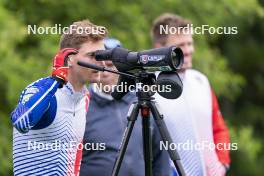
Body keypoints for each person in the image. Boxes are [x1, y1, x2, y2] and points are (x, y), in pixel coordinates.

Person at [10, 20, 107, 176]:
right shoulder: (40, 89)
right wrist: (55, 81)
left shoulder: (84, 97)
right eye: (92, 56)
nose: (101, 62)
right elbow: (21, 121)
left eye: (102, 55)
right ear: (69, 59)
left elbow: (73, 160)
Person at [151, 13, 231, 176]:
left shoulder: (201, 81)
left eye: (190, 43)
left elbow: (219, 128)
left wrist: (222, 164)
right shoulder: (149, 86)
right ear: (160, 48)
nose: (188, 50)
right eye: (181, 45)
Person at [79, 38, 171, 176]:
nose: (105, 73)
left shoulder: (143, 102)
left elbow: (161, 157)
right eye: (101, 66)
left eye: (110, 65)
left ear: (122, 67)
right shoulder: (81, 106)